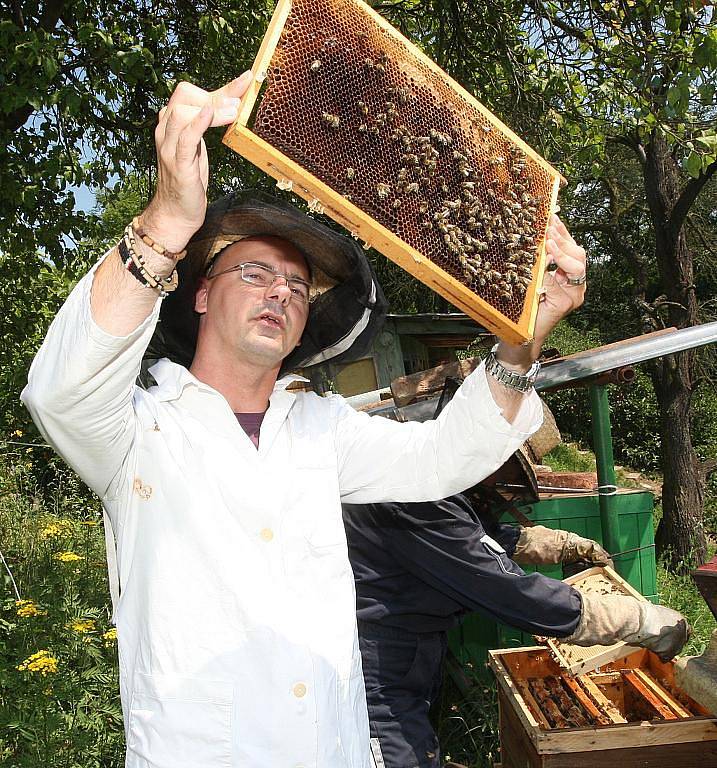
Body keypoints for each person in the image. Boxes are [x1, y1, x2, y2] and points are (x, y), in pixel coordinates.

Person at [22, 73, 588, 768]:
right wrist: (169, 220)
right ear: (200, 295)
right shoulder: (138, 432)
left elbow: (443, 459)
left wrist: (520, 339)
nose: (281, 292)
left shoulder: (325, 428)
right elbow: (61, 390)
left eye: (295, 285)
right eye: (255, 273)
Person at [343, 492, 690, 768]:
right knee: (401, 756)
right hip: (379, 662)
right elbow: (508, 591)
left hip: (402, 644)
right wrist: (633, 621)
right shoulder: (412, 496)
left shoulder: (414, 481)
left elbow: (470, 538)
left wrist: (554, 544)